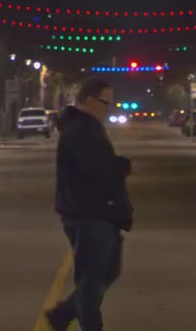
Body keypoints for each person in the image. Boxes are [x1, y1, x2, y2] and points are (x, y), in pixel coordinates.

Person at [44, 78, 133, 331]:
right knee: (91, 281)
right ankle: (82, 322)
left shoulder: (88, 128)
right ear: (91, 101)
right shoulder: (80, 130)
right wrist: (121, 166)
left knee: (106, 273)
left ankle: (62, 314)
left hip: (100, 212)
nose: (108, 109)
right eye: (106, 102)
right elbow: (95, 169)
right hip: (88, 214)